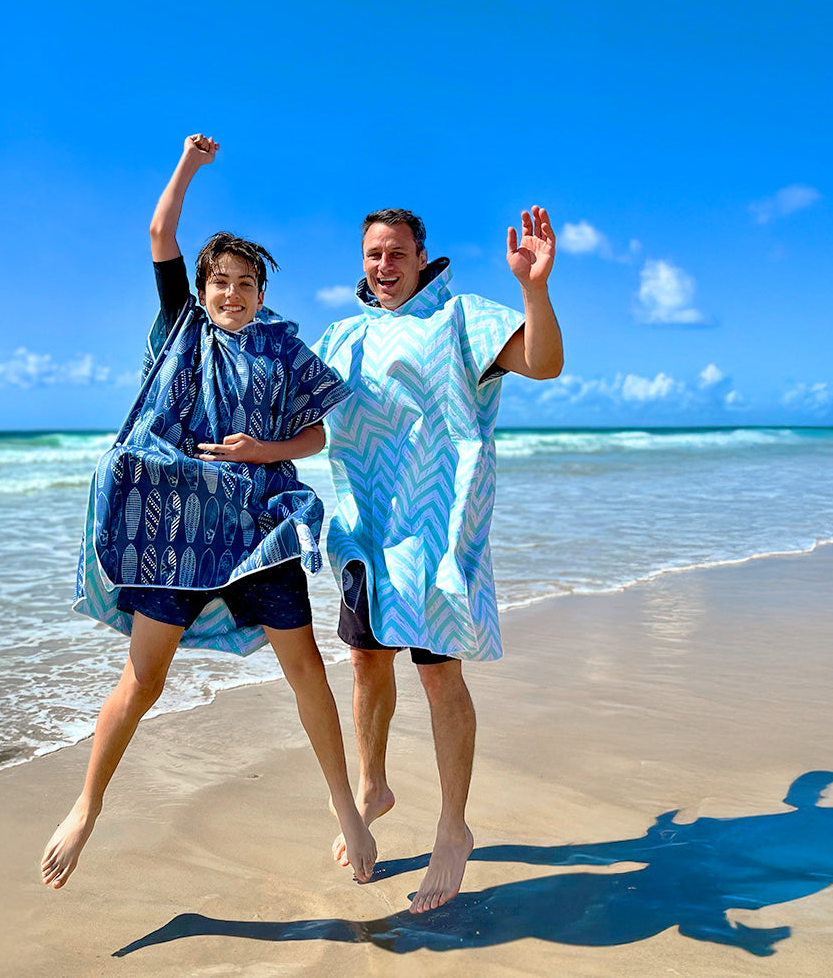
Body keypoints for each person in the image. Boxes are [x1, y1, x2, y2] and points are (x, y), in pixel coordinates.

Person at [41, 135, 376, 890]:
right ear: (202, 288)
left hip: (259, 528)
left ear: (262, 292)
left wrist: (264, 451)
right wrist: (190, 166)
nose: (233, 293)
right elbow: (160, 232)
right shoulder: (180, 327)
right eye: (220, 281)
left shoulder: (283, 351)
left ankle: (347, 809)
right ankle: (87, 807)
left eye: (246, 283)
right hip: (175, 535)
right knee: (143, 680)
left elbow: (318, 434)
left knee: (306, 670)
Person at [313, 206, 563, 913]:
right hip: (366, 531)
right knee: (366, 661)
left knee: (438, 674)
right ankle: (373, 786)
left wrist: (534, 290)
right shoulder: (342, 336)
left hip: (437, 530)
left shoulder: (461, 318)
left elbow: (544, 364)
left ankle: (454, 828)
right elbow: (293, 414)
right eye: (373, 254)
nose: (384, 266)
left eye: (397, 253)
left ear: (422, 258)